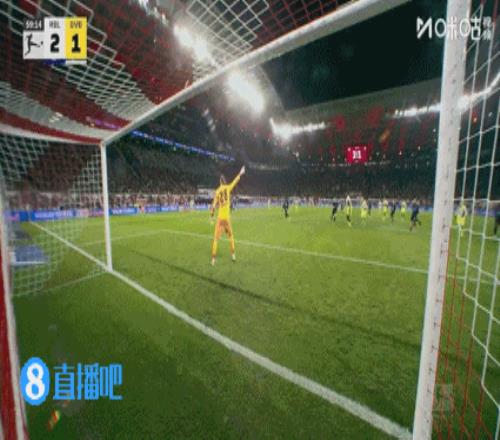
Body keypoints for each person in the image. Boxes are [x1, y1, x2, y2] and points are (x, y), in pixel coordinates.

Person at [210, 166, 245, 266]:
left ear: (219, 182)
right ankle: (233, 255)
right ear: (224, 181)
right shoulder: (228, 188)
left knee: (216, 239)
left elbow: (213, 206)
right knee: (230, 236)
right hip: (227, 218)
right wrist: (240, 173)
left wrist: (211, 217)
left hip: (220, 218)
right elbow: (235, 181)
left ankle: (213, 260)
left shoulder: (217, 191)